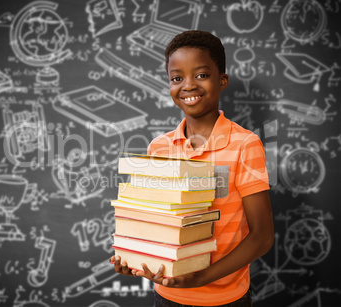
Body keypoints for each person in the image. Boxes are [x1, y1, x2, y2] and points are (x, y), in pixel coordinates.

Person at [111, 30, 274, 306]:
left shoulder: (245, 144)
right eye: (177, 78)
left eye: (201, 75)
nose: (188, 85)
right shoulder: (159, 147)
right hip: (167, 296)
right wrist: (134, 256)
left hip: (225, 298)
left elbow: (262, 236)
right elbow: (154, 222)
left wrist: (202, 278)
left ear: (222, 80)